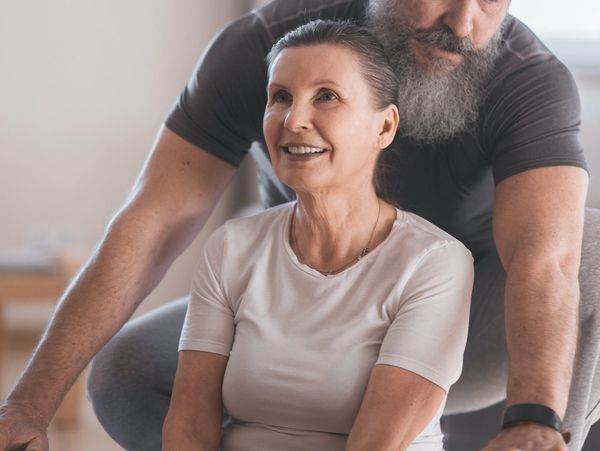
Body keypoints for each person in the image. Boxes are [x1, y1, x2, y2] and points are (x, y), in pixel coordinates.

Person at [0, 0, 597, 450]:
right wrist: (26, 406)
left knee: (591, 248)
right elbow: (152, 222)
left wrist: (533, 419)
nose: (464, 23)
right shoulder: (267, 43)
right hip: (292, 306)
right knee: (127, 372)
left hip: (463, 320)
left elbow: (546, 260)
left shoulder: (528, 81)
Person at [162, 20, 474, 451]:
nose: (294, 119)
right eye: (281, 97)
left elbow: (376, 444)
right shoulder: (232, 247)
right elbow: (189, 427)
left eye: (327, 96)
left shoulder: (435, 262)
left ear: (384, 128)